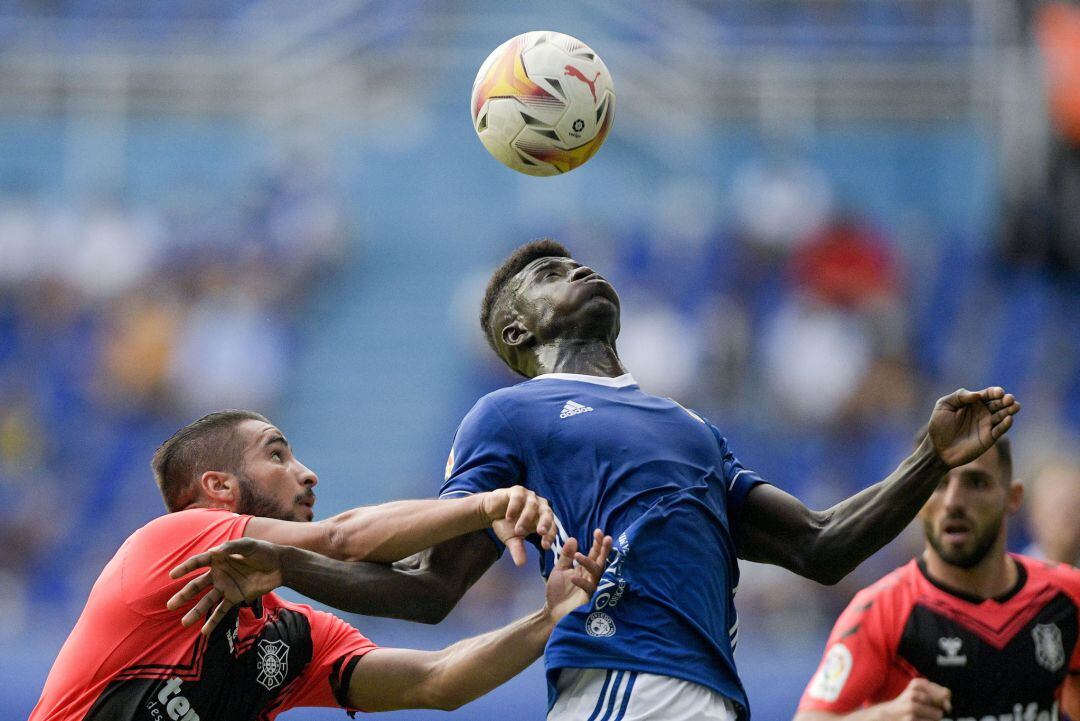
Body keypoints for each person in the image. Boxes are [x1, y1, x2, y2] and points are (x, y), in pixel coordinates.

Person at [176, 240, 1021, 721]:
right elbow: (432, 590)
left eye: (573, 263)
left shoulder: (691, 427)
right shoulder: (512, 413)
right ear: (516, 328)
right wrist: (288, 564)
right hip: (624, 683)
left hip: (710, 697)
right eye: (548, 277)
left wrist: (928, 456)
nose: (574, 269)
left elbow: (822, 545)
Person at [30, 409, 613, 720]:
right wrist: (484, 504)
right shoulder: (172, 543)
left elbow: (435, 682)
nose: (307, 473)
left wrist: (547, 619)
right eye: (277, 454)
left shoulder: (290, 639)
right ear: (218, 486)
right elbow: (343, 540)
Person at [793, 436, 1080, 721]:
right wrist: (885, 716)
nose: (954, 502)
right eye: (938, 485)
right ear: (916, 499)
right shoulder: (881, 610)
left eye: (976, 482)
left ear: (1012, 498)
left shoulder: (1066, 595)